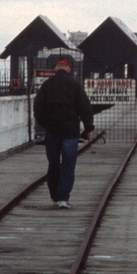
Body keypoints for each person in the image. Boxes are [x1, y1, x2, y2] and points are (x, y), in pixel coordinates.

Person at [33, 59, 94, 209]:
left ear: (56, 68)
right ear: (68, 69)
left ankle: (54, 196)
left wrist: (45, 123)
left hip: (52, 130)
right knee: (68, 164)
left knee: (53, 164)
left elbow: (38, 108)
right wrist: (88, 129)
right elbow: (85, 108)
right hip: (70, 131)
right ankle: (63, 198)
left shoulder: (47, 85)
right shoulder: (75, 85)